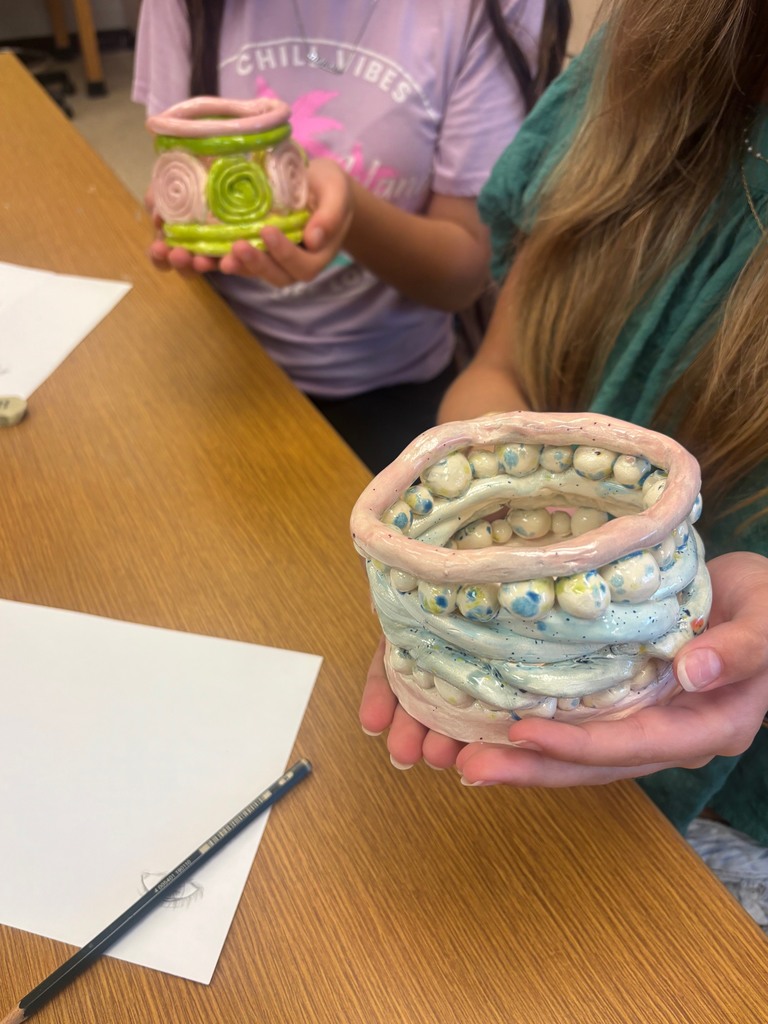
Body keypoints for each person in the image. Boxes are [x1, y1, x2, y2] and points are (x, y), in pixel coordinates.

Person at [360, 0, 768, 850]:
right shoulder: (650, 55)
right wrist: (467, 578)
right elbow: (500, 371)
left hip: (730, 814)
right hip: (514, 765)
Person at [131, 0, 571, 473]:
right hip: (223, 361)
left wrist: (353, 215)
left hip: (390, 381)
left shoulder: (487, 12)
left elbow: (464, 272)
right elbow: (182, 161)